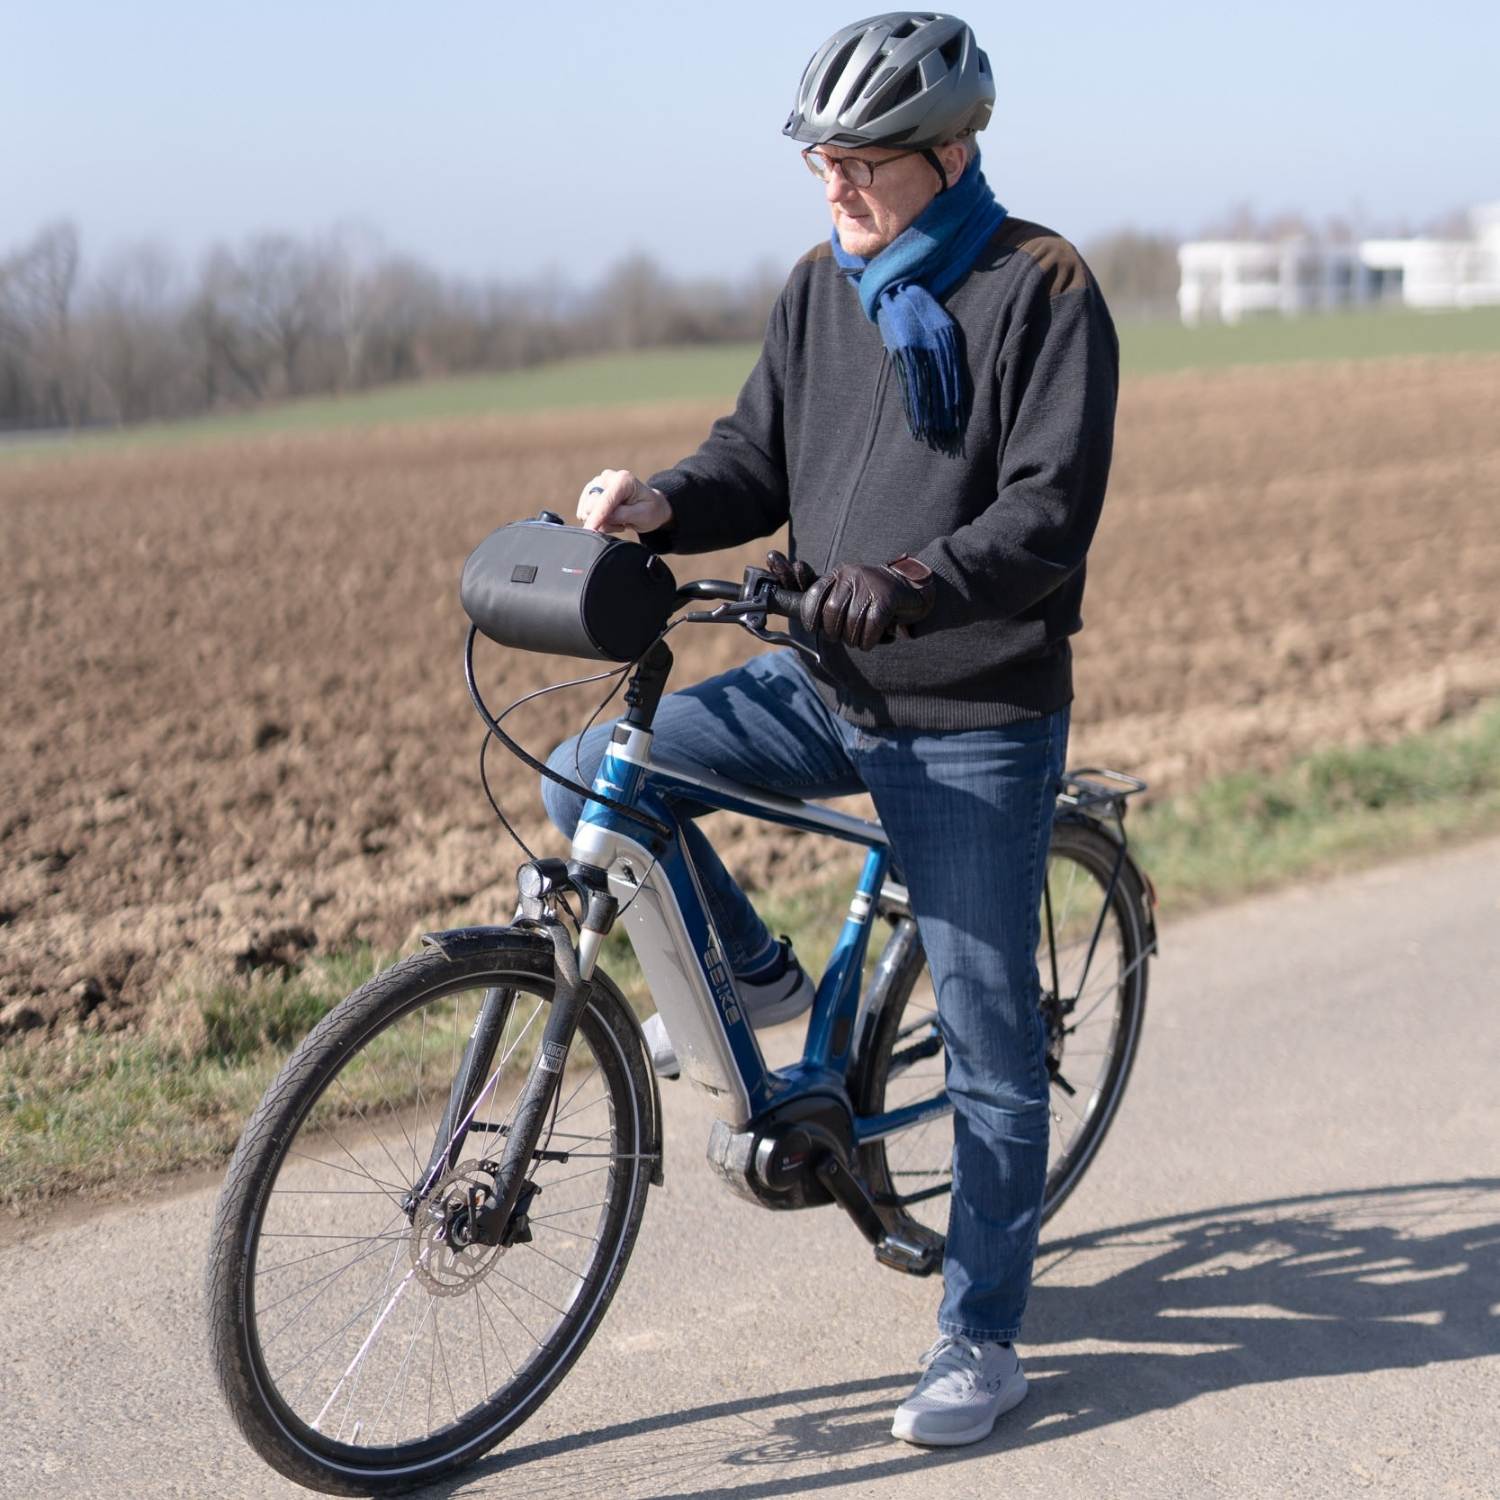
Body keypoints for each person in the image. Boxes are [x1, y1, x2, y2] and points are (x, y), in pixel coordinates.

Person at [544, 11, 1118, 1448]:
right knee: (589, 779)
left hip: (974, 710)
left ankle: (981, 1336)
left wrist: (914, 580)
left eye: (864, 160)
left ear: (953, 151)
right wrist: (662, 504)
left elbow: (1045, 517)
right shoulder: (819, 288)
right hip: (823, 680)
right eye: (821, 161)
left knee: (988, 1043)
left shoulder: (1040, 288)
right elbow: (756, 455)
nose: (836, 186)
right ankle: (756, 983)